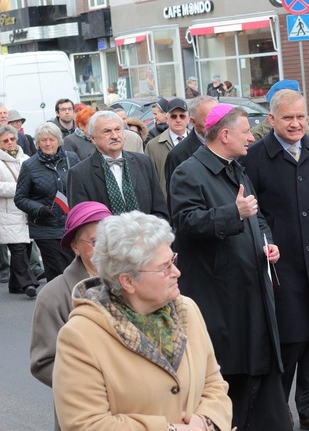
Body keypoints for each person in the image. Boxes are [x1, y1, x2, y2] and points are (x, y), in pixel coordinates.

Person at [52, 211, 233, 430]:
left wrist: (205, 422)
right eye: (164, 267)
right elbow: (87, 424)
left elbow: (214, 383)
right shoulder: (81, 336)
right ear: (128, 281)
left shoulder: (187, 310)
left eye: (173, 260)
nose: (176, 271)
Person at [170, 104, 291, 431]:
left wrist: (267, 242)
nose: (252, 137)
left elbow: (257, 216)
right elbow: (185, 223)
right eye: (245, 132)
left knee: (261, 377)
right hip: (221, 295)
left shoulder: (236, 167)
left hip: (251, 288)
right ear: (225, 135)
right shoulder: (188, 172)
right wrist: (232, 213)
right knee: (230, 379)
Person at [240, 89, 309, 431]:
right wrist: (267, 242)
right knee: (288, 340)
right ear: (271, 120)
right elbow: (253, 213)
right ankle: (278, 409)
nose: (297, 123)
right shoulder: (255, 157)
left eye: (301, 116)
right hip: (280, 265)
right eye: (288, 118)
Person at [30, 201, 112, 431]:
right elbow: (43, 362)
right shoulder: (54, 295)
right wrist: (98, 384)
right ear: (75, 247)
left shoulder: (134, 282)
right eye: (96, 242)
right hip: (84, 410)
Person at [67, 111, 169, 220]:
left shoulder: (144, 163)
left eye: (117, 129)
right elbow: (82, 222)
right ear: (93, 138)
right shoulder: (79, 174)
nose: (115, 136)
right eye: (107, 131)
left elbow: (160, 210)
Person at [14, 123, 80, 281]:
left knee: (75, 269)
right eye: (43, 140)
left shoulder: (72, 159)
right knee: (59, 272)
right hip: (46, 229)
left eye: (51, 139)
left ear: (59, 141)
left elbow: (82, 186)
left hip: (71, 225)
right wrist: (39, 209)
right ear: (37, 143)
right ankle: (58, 303)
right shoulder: (29, 165)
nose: (48, 143)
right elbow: (20, 198)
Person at [0, 125, 39, 298]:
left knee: (27, 246)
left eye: (12, 139)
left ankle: (15, 284)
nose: (10, 143)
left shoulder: (26, 159)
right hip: (7, 212)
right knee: (18, 248)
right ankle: (28, 283)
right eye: (5, 140)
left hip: (26, 210)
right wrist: (21, 188)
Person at [164, 96, 218, 200]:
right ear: (193, 122)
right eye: (209, 120)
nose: (215, 125)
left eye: (218, 119)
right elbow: (177, 199)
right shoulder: (178, 155)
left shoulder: (229, 144)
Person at [146, 98, 189, 196]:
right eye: (173, 116)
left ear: (188, 119)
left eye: (182, 116)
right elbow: (150, 180)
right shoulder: (153, 146)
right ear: (167, 119)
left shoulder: (198, 143)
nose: (178, 120)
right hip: (167, 202)